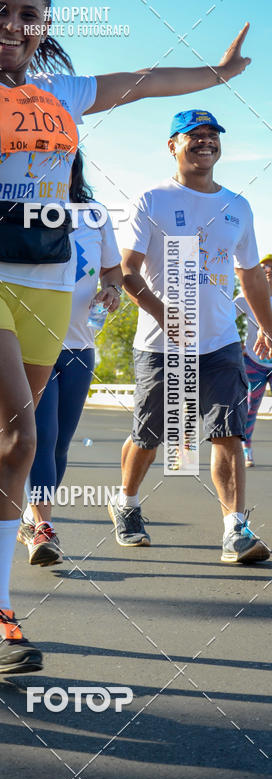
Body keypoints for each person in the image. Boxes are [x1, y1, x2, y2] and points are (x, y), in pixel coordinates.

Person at [0, 0, 253, 673]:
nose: (15, 25)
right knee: (18, 439)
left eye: (30, 15)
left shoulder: (63, 93)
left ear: (45, 23)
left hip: (49, 284)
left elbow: (145, 79)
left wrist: (219, 75)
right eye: (1, 12)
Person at [110, 109, 272, 564]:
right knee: (150, 434)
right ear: (173, 146)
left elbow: (252, 278)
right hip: (162, 344)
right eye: (193, 135)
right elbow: (127, 271)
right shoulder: (152, 200)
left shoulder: (238, 206)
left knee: (228, 433)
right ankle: (126, 503)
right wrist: (166, 315)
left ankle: (235, 530)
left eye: (212, 135)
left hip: (221, 341)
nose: (205, 142)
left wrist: (269, 329)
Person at [18, 151, 122, 565]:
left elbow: (113, 271)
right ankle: (43, 527)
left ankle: (32, 517)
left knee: (61, 444)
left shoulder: (95, 215)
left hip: (80, 345)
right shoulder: (25, 210)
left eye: (64, 162)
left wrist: (112, 290)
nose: (56, 168)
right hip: (35, 341)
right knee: (42, 437)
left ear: (76, 168)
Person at [235, 253, 272, 467]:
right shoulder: (247, 296)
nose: (267, 272)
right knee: (250, 407)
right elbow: (226, 317)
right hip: (254, 363)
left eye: (271, 269)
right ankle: (246, 447)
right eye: (264, 268)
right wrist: (233, 342)